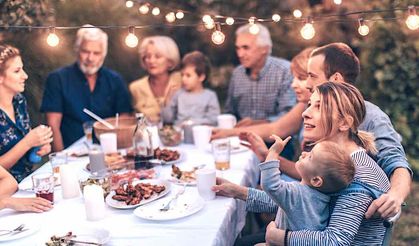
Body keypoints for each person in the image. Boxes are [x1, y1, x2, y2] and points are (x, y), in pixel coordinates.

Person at [231, 43, 411, 219]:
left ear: (336, 79)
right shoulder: (318, 117)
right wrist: (239, 190)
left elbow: (395, 161)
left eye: (311, 76)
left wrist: (395, 195)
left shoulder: (371, 117)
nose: (307, 84)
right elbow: (307, 191)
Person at [214, 82, 391, 245]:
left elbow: (335, 241)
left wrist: (281, 238)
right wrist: (237, 191)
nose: (305, 113)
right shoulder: (330, 162)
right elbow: (298, 201)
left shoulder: (356, 175)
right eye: (309, 105)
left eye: (319, 107)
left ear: (344, 123)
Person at [41, 25, 132, 151]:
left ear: (103, 55)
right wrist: (61, 158)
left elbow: (124, 119)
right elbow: (53, 125)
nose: (90, 58)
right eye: (85, 51)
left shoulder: (115, 80)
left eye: (96, 53)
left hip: (109, 150)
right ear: (77, 50)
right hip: (71, 152)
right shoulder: (57, 79)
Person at [260, 136, 355, 233]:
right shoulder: (323, 199)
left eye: (310, 157)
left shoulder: (297, 194)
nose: (304, 153)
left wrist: (273, 153)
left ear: (316, 181)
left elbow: (270, 185)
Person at [224, 23, 296, 127]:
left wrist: (256, 124)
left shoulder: (285, 71)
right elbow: (229, 112)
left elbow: (289, 115)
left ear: (265, 49)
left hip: (277, 140)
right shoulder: (237, 74)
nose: (240, 54)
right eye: (238, 48)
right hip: (240, 140)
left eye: (246, 48)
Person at [0, 44, 53, 182]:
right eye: (17, 71)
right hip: (6, 192)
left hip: (29, 180)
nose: (25, 76)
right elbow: (25, 142)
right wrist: (27, 143)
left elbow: (27, 141)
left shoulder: (19, 101)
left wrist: (39, 145)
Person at [129, 36, 182, 124]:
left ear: (170, 61)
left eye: (157, 56)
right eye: (147, 56)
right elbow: (134, 122)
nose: (151, 61)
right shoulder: (135, 88)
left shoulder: (181, 80)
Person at [161, 51, 220, 126]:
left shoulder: (210, 96)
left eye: (188, 75)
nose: (183, 79)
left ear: (201, 77)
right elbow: (167, 118)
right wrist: (168, 99)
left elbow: (213, 120)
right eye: (182, 75)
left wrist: (192, 123)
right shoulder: (179, 94)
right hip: (180, 133)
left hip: (200, 133)